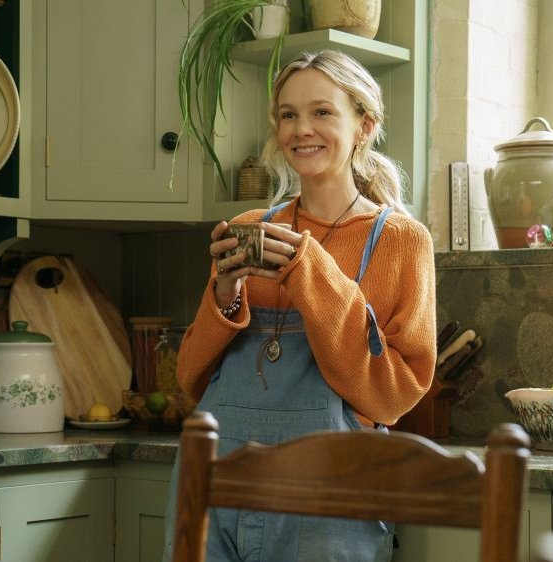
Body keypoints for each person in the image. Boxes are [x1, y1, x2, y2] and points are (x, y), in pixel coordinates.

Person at [161, 49, 437, 561]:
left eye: (322, 112)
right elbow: (192, 380)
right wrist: (224, 297)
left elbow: (393, 397)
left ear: (364, 126)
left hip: (331, 493)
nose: (300, 129)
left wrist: (309, 270)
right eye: (288, 114)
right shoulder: (251, 226)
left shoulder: (401, 241)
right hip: (214, 480)